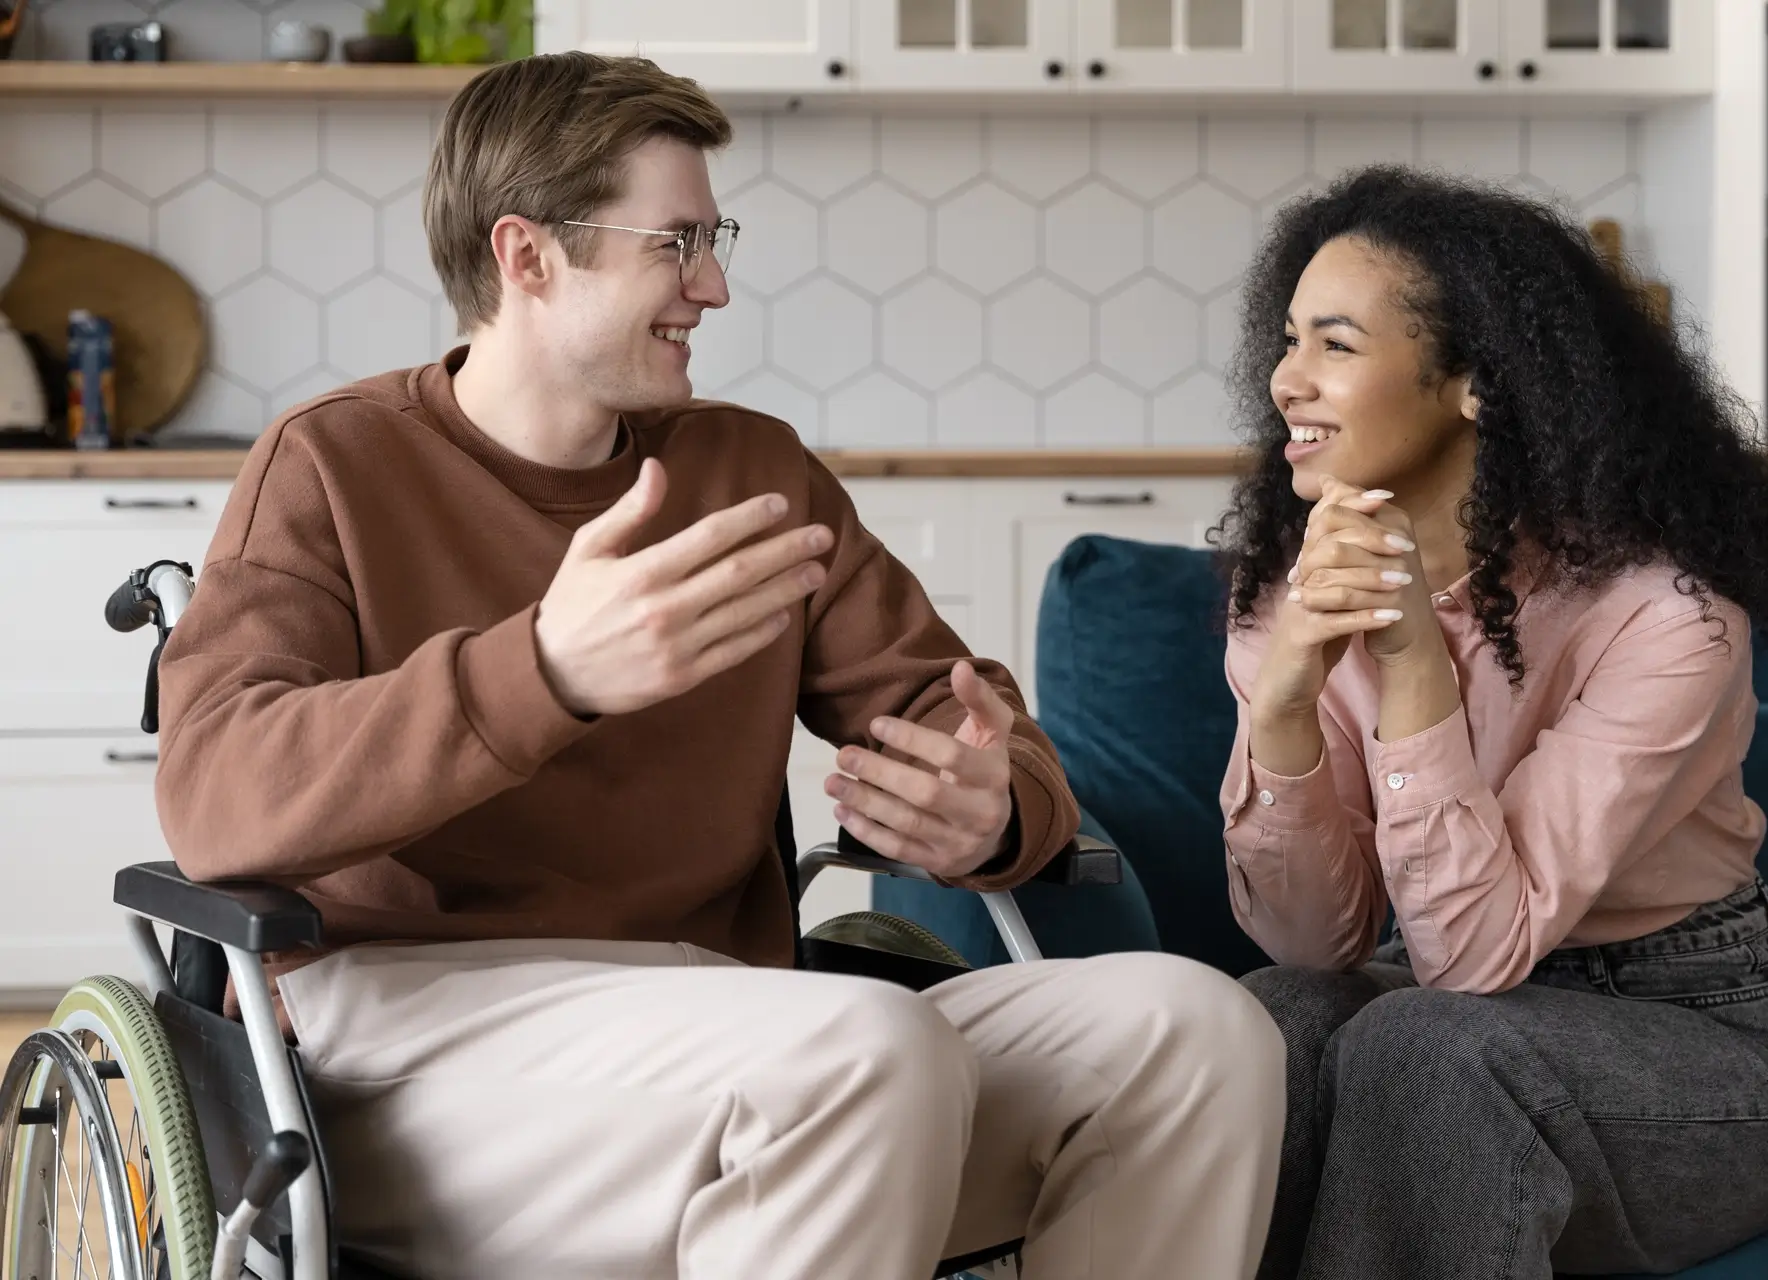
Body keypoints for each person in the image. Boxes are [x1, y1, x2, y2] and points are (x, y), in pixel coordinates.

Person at [154, 51, 1286, 1280]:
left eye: (714, 238)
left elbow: (954, 709)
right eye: (676, 243)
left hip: (743, 1024)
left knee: (1198, 1031)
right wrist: (543, 668)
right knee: (861, 1051)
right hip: (409, 1039)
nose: (716, 286)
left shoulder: (753, 470)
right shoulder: (331, 464)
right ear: (526, 255)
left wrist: (996, 798)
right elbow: (216, 794)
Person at [1214, 164, 1768, 1280]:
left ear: (1477, 385)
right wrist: (1286, 702)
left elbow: (1468, 963)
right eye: (1289, 338)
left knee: (1429, 1043)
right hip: (1456, 1010)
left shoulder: (1667, 618)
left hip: (1700, 1036)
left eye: (1335, 345)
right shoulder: (1287, 590)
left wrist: (1414, 669)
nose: (1284, 381)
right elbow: (1316, 942)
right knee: (1275, 1014)